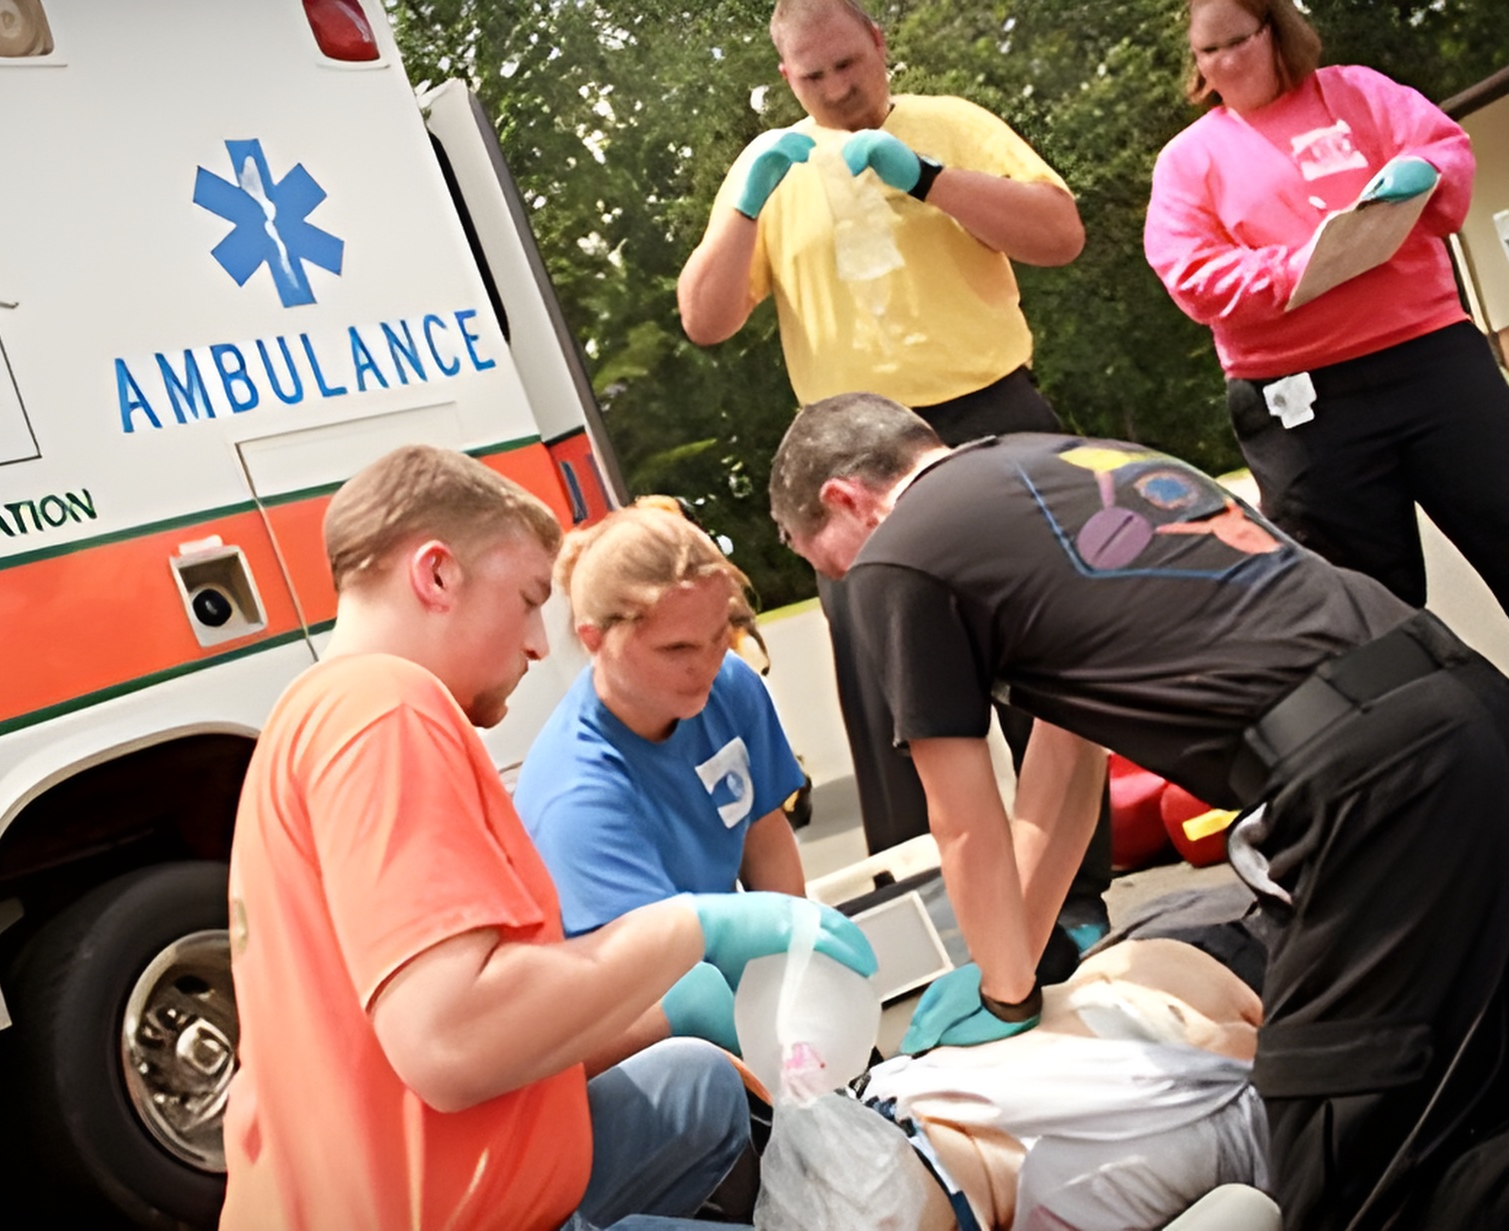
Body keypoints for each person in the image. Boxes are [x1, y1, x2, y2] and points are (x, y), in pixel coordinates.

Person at [767, 391, 1509, 1231]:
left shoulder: (897, 554)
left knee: (1346, 1166)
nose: (835, 582)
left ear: (843, 499)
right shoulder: (1052, 465)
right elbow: (1064, 767)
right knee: (1476, 1081)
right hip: (1466, 706)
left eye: (818, 561)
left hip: (1371, 779)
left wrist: (1009, 998)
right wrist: (1003, 968)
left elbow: (963, 818)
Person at [218, 444, 876, 1231]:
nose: (538, 641)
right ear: (436, 576)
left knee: (695, 1085)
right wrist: (693, 930)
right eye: (528, 598)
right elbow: (451, 1041)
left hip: (401, 1186)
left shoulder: (313, 715)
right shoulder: (388, 711)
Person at [676, 0, 1110, 934]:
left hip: (987, 414)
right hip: (850, 455)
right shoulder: (771, 166)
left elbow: (1059, 235)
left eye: (847, 65)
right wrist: (746, 202)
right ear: (786, 77)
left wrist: (932, 179)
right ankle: (941, 921)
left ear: (878, 43)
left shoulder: (951, 123)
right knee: (893, 697)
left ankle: (1073, 900)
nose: (837, 91)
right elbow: (704, 319)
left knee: (1044, 658)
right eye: (812, 77)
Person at [1144, 0, 1509, 625]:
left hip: (1432, 359)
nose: (1227, 62)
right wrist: (1298, 268)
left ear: (1277, 31)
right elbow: (1193, 278)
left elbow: (1444, 150)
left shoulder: (1359, 93)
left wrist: (1421, 170)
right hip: (1302, 403)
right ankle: (1426, 719)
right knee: (1360, 606)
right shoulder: (1187, 160)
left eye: (1239, 40)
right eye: (1209, 51)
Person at [515, 505, 807, 961]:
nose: (705, 663)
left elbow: (764, 837)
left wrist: (798, 958)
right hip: (646, 1004)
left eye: (717, 636)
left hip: (729, 971)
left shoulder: (730, 687)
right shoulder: (575, 794)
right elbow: (653, 970)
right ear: (594, 639)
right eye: (676, 649)